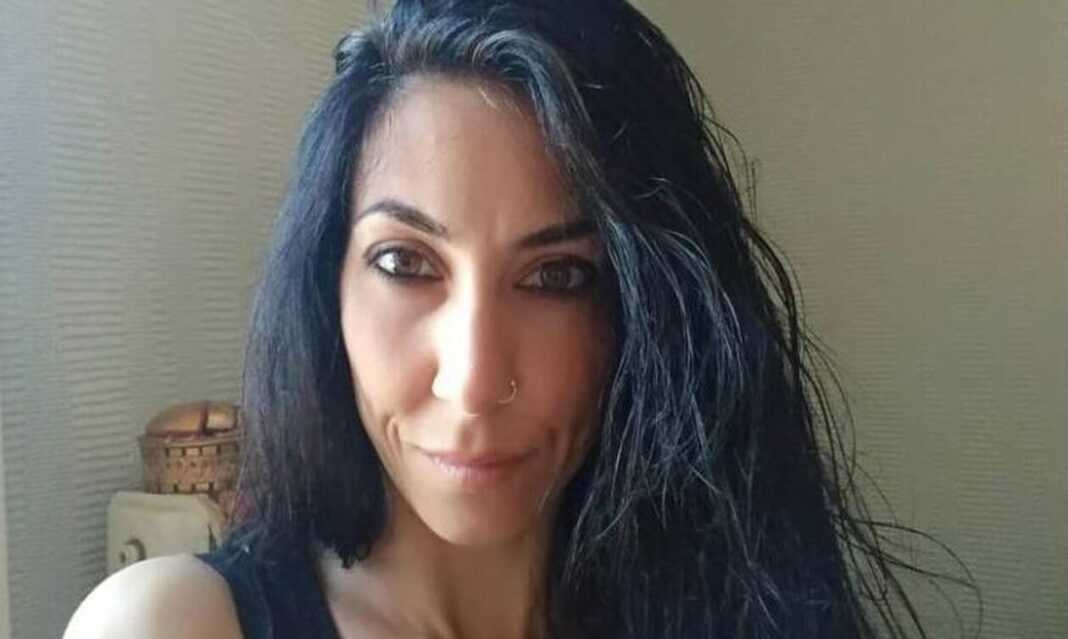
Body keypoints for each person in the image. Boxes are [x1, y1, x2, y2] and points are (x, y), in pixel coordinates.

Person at [65, 1, 971, 637]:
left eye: (556, 276)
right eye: (406, 264)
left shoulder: (731, 609)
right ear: (325, 285)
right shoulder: (170, 625)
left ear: (645, 315)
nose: (473, 379)